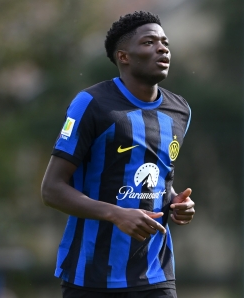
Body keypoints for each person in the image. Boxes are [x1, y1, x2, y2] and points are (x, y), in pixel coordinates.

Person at [41, 11, 195, 298]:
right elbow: (51, 190)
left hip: (155, 274)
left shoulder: (179, 110)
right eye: (149, 42)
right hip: (91, 276)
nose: (162, 48)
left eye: (165, 43)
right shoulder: (91, 104)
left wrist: (176, 203)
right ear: (124, 56)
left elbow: (161, 177)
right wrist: (115, 214)